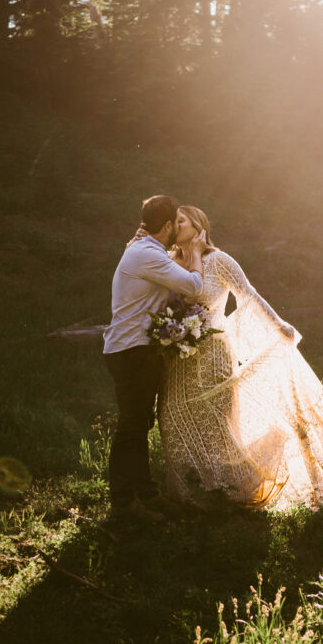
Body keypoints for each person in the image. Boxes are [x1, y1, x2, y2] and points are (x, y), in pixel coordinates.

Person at [158, 205, 323, 511]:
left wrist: (278, 324)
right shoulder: (167, 262)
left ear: (198, 226)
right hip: (176, 359)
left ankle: (231, 490)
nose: (175, 226)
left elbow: (247, 294)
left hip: (211, 354)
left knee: (218, 425)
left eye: (181, 221)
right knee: (172, 418)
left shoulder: (219, 260)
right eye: (173, 222)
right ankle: (192, 493)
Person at [103, 195, 206, 521]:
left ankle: (146, 494)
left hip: (134, 349)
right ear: (165, 227)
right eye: (175, 222)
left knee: (138, 424)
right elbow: (193, 285)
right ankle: (124, 504)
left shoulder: (145, 250)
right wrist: (198, 255)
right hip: (132, 351)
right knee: (132, 428)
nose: (178, 226)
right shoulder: (147, 254)